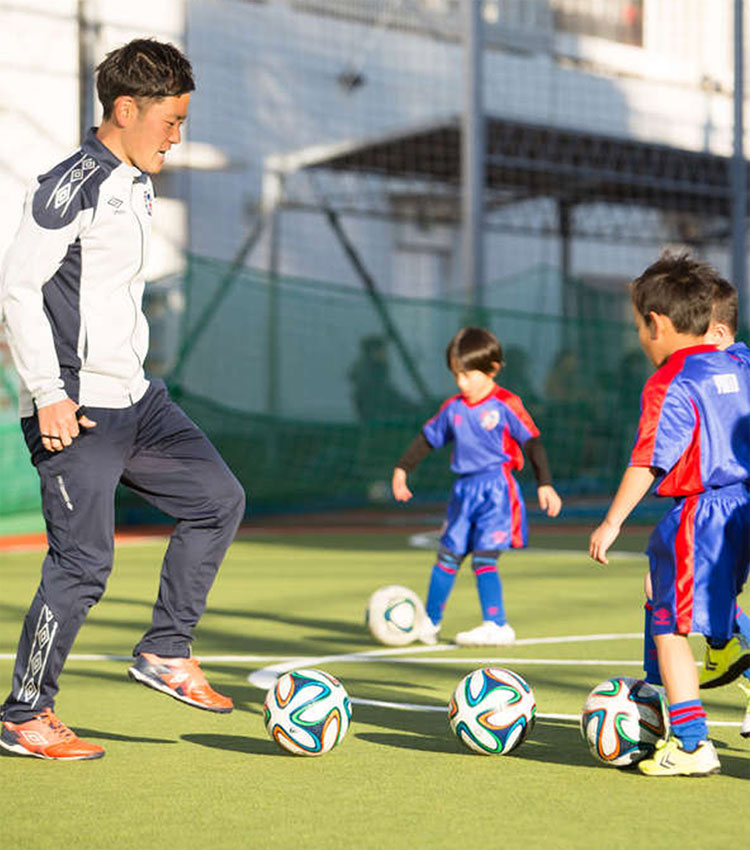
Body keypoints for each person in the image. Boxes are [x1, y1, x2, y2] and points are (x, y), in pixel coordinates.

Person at [0, 39, 246, 761]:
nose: (178, 135)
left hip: (138, 401)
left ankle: (167, 651)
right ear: (126, 109)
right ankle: (23, 715)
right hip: (74, 407)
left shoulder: (136, 179)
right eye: (171, 121)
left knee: (218, 499)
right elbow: (16, 289)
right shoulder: (69, 184)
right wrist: (45, 394)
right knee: (81, 567)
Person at [589, 252, 750, 776]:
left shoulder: (669, 381)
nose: (639, 336)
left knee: (669, 622)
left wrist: (612, 520)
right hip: (744, 505)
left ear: (656, 324)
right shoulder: (739, 362)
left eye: (639, 325)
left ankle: (690, 742)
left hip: (701, 512)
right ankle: (728, 649)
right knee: (681, 591)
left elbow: (649, 459)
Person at [392, 326, 562, 646]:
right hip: (463, 492)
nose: (461, 383)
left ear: (492, 369)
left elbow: (533, 442)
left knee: (484, 557)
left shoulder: (506, 404)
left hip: (496, 490)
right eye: (456, 375)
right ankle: (429, 622)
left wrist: (545, 484)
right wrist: (402, 469)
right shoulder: (453, 408)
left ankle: (497, 624)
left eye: (468, 375)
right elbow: (427, 439)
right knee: (447, 556)